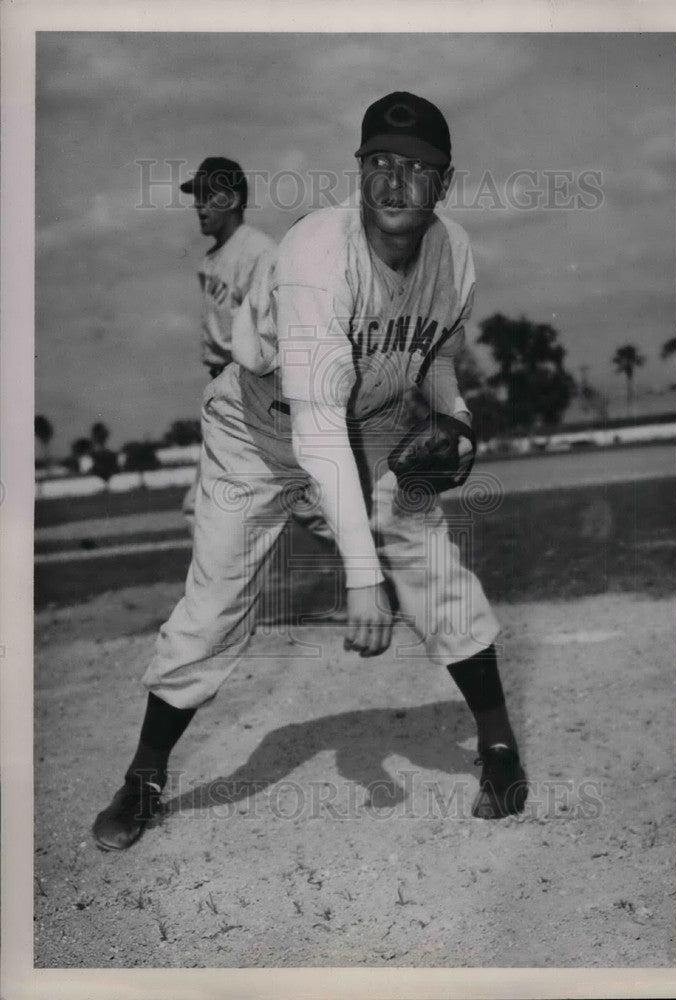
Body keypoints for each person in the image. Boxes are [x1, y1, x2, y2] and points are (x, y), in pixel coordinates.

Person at [92, 92, 527, 852]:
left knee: (434, 570)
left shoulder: (454, 256)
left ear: (445, 183)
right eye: (379, 164)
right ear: (359, 171)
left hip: (362, 427)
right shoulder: (315, 256)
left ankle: (496, 748)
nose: (395, 182)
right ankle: (143, 780)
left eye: (416, 168)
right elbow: (315, 422)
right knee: (218, 599)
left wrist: (455, 420)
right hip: (258, 434)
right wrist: (361, 573)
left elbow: (438, 355)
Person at [179, 156, 278, 532]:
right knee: (205, 508)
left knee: (304, 501)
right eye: (197, 196)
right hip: (225, 386)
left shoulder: (257, 251)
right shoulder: (212, 258)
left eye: (208, 196)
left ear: (233, 199)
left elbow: (274, 328)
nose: (198, 206)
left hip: (252, 389)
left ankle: (371, 569)